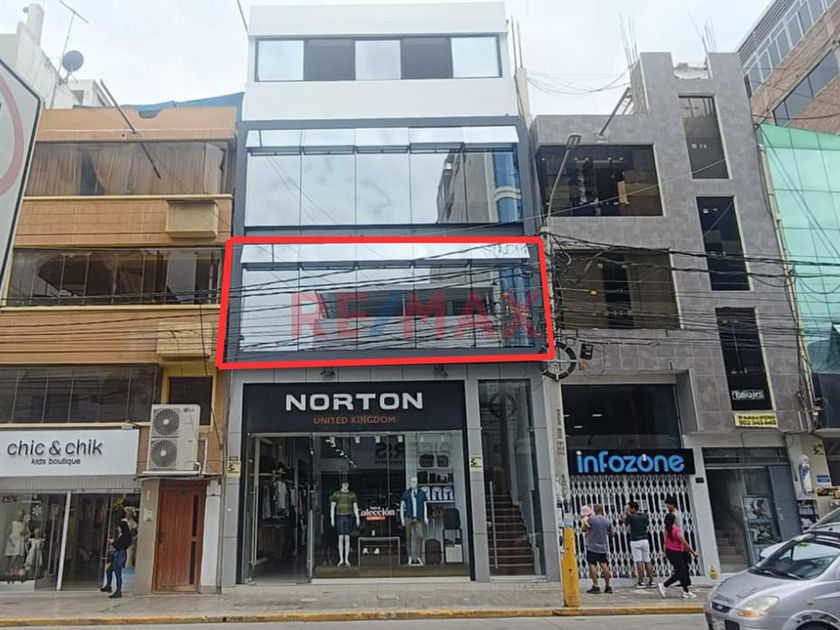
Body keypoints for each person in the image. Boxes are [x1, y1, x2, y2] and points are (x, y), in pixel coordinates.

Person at [658, 512, 698, 599]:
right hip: (677, 553)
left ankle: (686, 591)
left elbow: (665, 543)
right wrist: (693, 553)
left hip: (670, 553)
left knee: (681, 571)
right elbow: (684, 543)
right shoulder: (676, 530)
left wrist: (665, 553)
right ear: (674, 520)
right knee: (681, 573)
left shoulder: (666, 530)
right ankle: (664, 585)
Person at [622, 501, 655, 588]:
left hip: (635, 541)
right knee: (647, 560)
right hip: (645, 540)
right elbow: (647, 524)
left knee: (639, 561)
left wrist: (625, 512)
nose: (628, 509)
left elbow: (624, 521)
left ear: (633, 508)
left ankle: (641, 581)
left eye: (629, 508)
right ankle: (652, 581)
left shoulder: (631, 517)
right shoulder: (645, 516)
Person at [583, 504, 612, 594]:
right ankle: (608, 586)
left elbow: (584, 529)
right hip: (603, 547)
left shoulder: (591, 519)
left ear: (594, 510)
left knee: (592, 565)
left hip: (592, 546)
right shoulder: (607, 520)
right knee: (604, 565)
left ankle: (595, 586)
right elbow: (611, 533)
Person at [101, 521, 132, 598]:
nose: (118, 529)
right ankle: (108, 585)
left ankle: (118, 591)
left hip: (120, 554)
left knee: (118, 573)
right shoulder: (123, 535)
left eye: (119, 527)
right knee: (109, 570)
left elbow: (119, 545)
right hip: (118, 554)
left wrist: (113, 542)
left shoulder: (126, 537)